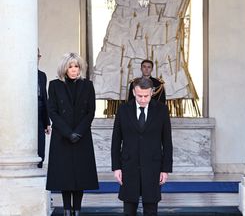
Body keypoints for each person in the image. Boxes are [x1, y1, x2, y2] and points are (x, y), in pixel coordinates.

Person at [46, 53, 98, 216]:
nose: (74, 69)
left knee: (80, 175)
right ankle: (67, 210)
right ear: (64, 68)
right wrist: (68, 133)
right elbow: (52, 111)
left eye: (76, 66)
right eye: (70, 66)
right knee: (65, 176)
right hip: (62, 137)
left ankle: (77, 210)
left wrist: (79, 132)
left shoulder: (88, 85)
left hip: (81, 137)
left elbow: (91, 112)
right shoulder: (54, 85)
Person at [111, 77, 173, 216]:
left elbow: (167, 141)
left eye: (146, 96)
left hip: (153, 166)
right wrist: (116, 167)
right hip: (128, 165)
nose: (143, 99)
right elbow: (116, 140)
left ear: (152, 93)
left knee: (151, 209)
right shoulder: (123, 110)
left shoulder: (162, 110)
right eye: (140, 96)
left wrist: (165, 169)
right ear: (133, 92)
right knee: (129, 209)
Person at [37, 48, 51, 168]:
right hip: (24, 115)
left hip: (40, 116)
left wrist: (47, 122)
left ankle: (39, 168)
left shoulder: (42, 75)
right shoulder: (19, 76)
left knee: (41, 147)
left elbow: (45, 99)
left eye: (37, 56)